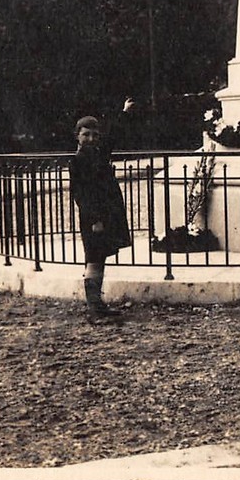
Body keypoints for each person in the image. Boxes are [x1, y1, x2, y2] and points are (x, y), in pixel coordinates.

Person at [69, 101, 134, 323]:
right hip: (94, 219)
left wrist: (124, 112)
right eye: (86, 135)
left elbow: (112, 138)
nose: (91, 139)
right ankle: (94, 310)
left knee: (100, 258)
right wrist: (94, 219)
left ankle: (99, 304)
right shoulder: (77, 161)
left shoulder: (97, 154)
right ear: (77, 136)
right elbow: (81, 195)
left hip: (106, 216)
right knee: (94, 259)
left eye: (94, 135)